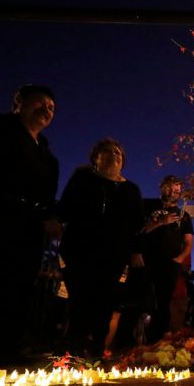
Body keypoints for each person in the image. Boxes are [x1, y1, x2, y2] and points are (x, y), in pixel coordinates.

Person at [0, 85, 59, 366]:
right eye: (39, 103)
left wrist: (51, 218)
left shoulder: (48, 157)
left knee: (16, 289)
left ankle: (2, 351)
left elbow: (49, 197)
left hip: (28, 229)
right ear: (19, 103)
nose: (46, 110)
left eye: (51, 108)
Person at [57, 138, 144, 358]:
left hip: (114, 255)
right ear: (96, 157)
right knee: (79, 300)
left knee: (105, 304)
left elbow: (136, 225)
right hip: (80, 250)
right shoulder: (83, 178)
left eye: (118, 152)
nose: (114, 154)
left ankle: (96, 351)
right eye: (107, 150)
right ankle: (73, 351)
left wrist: (135, 251)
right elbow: (64, 208)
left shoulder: (131, 190)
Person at [140, 175, 193, 343]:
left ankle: (157, 341)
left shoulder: (184, 215)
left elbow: (188, 242)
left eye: (178, 190)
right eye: (171, 188)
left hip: (170, 264)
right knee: (142, 300)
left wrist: (179, 259)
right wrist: (160, 222)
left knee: (164, 303)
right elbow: (139, 230)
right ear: (163, 188)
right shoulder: (148, 205)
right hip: (146, 261)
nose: (174, 193)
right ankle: (130, 341)